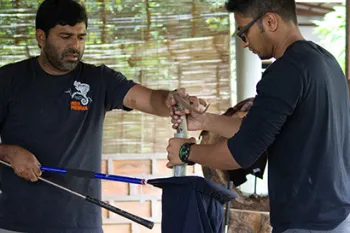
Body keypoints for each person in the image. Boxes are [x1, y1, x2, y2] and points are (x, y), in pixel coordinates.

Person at [0, 0, 194, 232]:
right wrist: (10, 153)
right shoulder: (9, 79)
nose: (75, 46)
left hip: (82, 224)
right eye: (65, 36)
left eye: (81, 37)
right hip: (16, 224)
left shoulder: (99, 79)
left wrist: (170, 100)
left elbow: (149, 99)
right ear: (41, 37)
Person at [167, 0, 350, 232]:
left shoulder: (285, 70)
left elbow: (240, 154)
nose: (244, 44)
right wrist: (205, 121)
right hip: (337, 217)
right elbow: (260, 130)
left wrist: (185, 152)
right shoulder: (325, 62)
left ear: (270, 21)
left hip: (307, 224)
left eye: (244, 32)